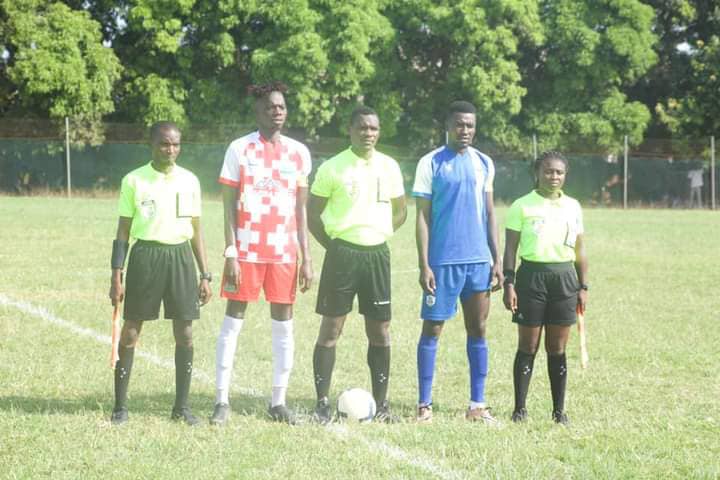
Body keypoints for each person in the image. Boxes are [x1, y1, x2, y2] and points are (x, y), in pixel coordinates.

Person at [210, 82, 313, 426]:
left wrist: (307, 258)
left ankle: (278, 402)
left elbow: (301, 211)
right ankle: (221, 400)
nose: (278, 112)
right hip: (247, 250)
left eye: (282, 106)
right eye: (271, 107)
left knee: (284, 325)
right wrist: (230, 252)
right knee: (233, 321)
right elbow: (227, 208)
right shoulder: (240, 149)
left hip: (284, 253)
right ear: (258, 111)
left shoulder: (299, 152)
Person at [108, 121, 212, 426]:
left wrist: (205, 274)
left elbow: (196, 231)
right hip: (146, 257)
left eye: (176, 144)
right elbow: (123, 231)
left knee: (186, 332)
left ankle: (181, 408)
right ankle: (120, 407)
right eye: (165, 144)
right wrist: (117, 274)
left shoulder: (190, 181)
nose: (171, 150)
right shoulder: (133, 181)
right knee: (131, 331)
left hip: (180, 257)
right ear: (151, 144)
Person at [308, 105, 407, 423]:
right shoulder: (333, 168)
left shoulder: (390, 167)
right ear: (350, 130)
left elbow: (401, 210)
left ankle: (382, 405)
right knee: (332, 328)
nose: (368, 133)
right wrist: (336, 246)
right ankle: (322, 403)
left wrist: (380, 232)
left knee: (380, 331)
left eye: (374, 128)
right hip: (342, 256)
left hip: (377, 255)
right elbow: (312, 215)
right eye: (362, 128)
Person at [412, 101, 503, 424]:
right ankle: (425, 405)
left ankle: (477, 404)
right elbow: (422, 217)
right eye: (460, 124)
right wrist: (424, 264)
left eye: (470, 125)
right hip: (442, 263)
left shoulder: (483, 163)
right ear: (447, 125)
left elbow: (491, 213)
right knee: (433, 329)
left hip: (478, 261)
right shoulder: (430, 162)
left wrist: (497, 259)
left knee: (478, 329)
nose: (465, 130)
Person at [502, 151, 589, 425]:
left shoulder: (573, 207)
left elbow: (580, 250)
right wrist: (509, 281)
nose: (554, 177)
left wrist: (583, 285)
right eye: (549, 171)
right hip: (531, 278)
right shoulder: (521, 206)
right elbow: (510, 249)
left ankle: (558, 411)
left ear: (565, 175)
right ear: (537, 173)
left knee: (557, 348)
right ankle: (519, 409)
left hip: (564, 279)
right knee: (528, 346)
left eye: (559, 172)